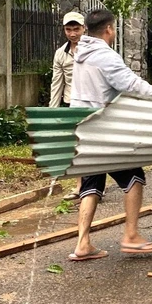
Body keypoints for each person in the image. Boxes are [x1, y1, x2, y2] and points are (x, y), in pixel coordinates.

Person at [68, 9, 152, 261]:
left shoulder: (80, 54)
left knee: (91, 185)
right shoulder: (104, 56)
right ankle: (131, 235)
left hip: (85, 130)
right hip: (105, 130)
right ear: (109, 29)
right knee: (134, 177)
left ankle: (82, 244)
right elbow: (132, 84)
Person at [50, 12, 86, 200]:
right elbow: (57, 83)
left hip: (90, 104)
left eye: (76, 29)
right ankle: (80, 186)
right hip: (70, 103)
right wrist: (52, 112)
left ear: (84, 28)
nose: (72, 34)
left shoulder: (93, 50)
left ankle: (95, 186)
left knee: (90, 146)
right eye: (68, 29)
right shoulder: (60, 54)